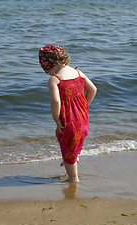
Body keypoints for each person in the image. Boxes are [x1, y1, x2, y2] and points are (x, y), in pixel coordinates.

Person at [39, 44, 97, 182]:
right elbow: (93, 89)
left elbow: (56, 102)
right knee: (73, 143)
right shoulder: (78, 73)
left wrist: (56, 119)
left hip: (69, 121)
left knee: (67, 145)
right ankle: (70, 160)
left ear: (48, 64)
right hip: (83, 119)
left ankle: (73, 178)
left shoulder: (55, 79)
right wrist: (83, 106)